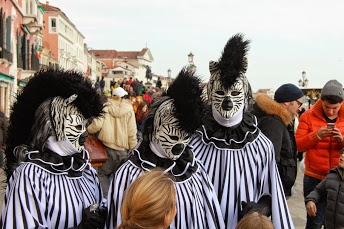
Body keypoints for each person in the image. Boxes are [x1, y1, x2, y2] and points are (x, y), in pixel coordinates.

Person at [189, 33, 294, 228]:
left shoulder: (261, 145)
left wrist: (260, 209)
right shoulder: (193, 142)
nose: (228, 101)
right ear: (212, 94)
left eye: (235, 93)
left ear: (244, 94)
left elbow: (272, 192)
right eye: (220, 93)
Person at [106, 68, 225, 229]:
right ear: (156, 127)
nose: (180, 145)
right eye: (174, 136)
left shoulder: (196, 171)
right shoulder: (128, 174)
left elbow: (209, 217)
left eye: (185, 137)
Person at [0, 69, 107, 229]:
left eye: (85, 126)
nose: (85, 133)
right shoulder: (30, 176)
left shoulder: (85, 169)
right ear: (55, 124)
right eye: (78, 126)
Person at [295, 79, 344, 229]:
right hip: (314, 176)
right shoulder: (308, 116)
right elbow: (299, 145)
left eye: (334, 108)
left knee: (338, 221)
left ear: (342, 103)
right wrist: (316, 135)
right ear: (321, 101)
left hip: (340, 177)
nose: (330, 111)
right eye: (326, 107)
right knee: (314, 221)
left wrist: (341, 141)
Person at [253, 83, 304, 198]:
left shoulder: (279, 120)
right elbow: (269, 161)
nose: (300, 108)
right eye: (298, 103)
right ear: (287, 102)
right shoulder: (273, 123)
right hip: (274, 190)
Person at [87, 86, 137, 198]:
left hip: (107, 149)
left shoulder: (106, 107)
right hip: (123, 151)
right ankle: (118, 200)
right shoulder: (129, 110)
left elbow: (97, 125)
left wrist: (87, 131)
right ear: (124, 96)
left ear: (113, 96)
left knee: (102, 174)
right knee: (121, 178)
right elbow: (132, 132)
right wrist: (133, 149)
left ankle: (106, 198)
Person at [305, 148, 344, 228]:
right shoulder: (332, 175)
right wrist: (311, 200)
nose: (342, 155)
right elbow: (318, 191)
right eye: (342, 153)